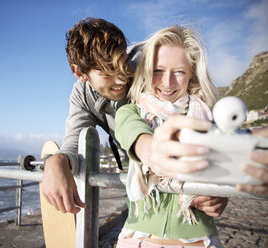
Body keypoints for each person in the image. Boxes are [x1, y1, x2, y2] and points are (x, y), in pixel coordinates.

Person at [40, 17, 228, 217]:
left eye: (123, 64)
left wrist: (220, 187)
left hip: (186, 183)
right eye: (107, 73)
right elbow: (75, 140)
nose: (121, 78)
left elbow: (201, 105)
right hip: (144, 188)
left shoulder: (151, 62)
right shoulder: (82, 96)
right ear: (79, 73)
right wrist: (56, 161)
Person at [115, 25, 224, 248]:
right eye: (158, 70)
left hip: (197, 241)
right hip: (138, 239)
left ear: (192, 73)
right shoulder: (130, 112)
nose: (167, 82)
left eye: (179, 72)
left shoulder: (210, 120)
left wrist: (220, 196)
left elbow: (223, 173)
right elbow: (133, 134)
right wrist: (151, 149)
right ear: (146, 70)